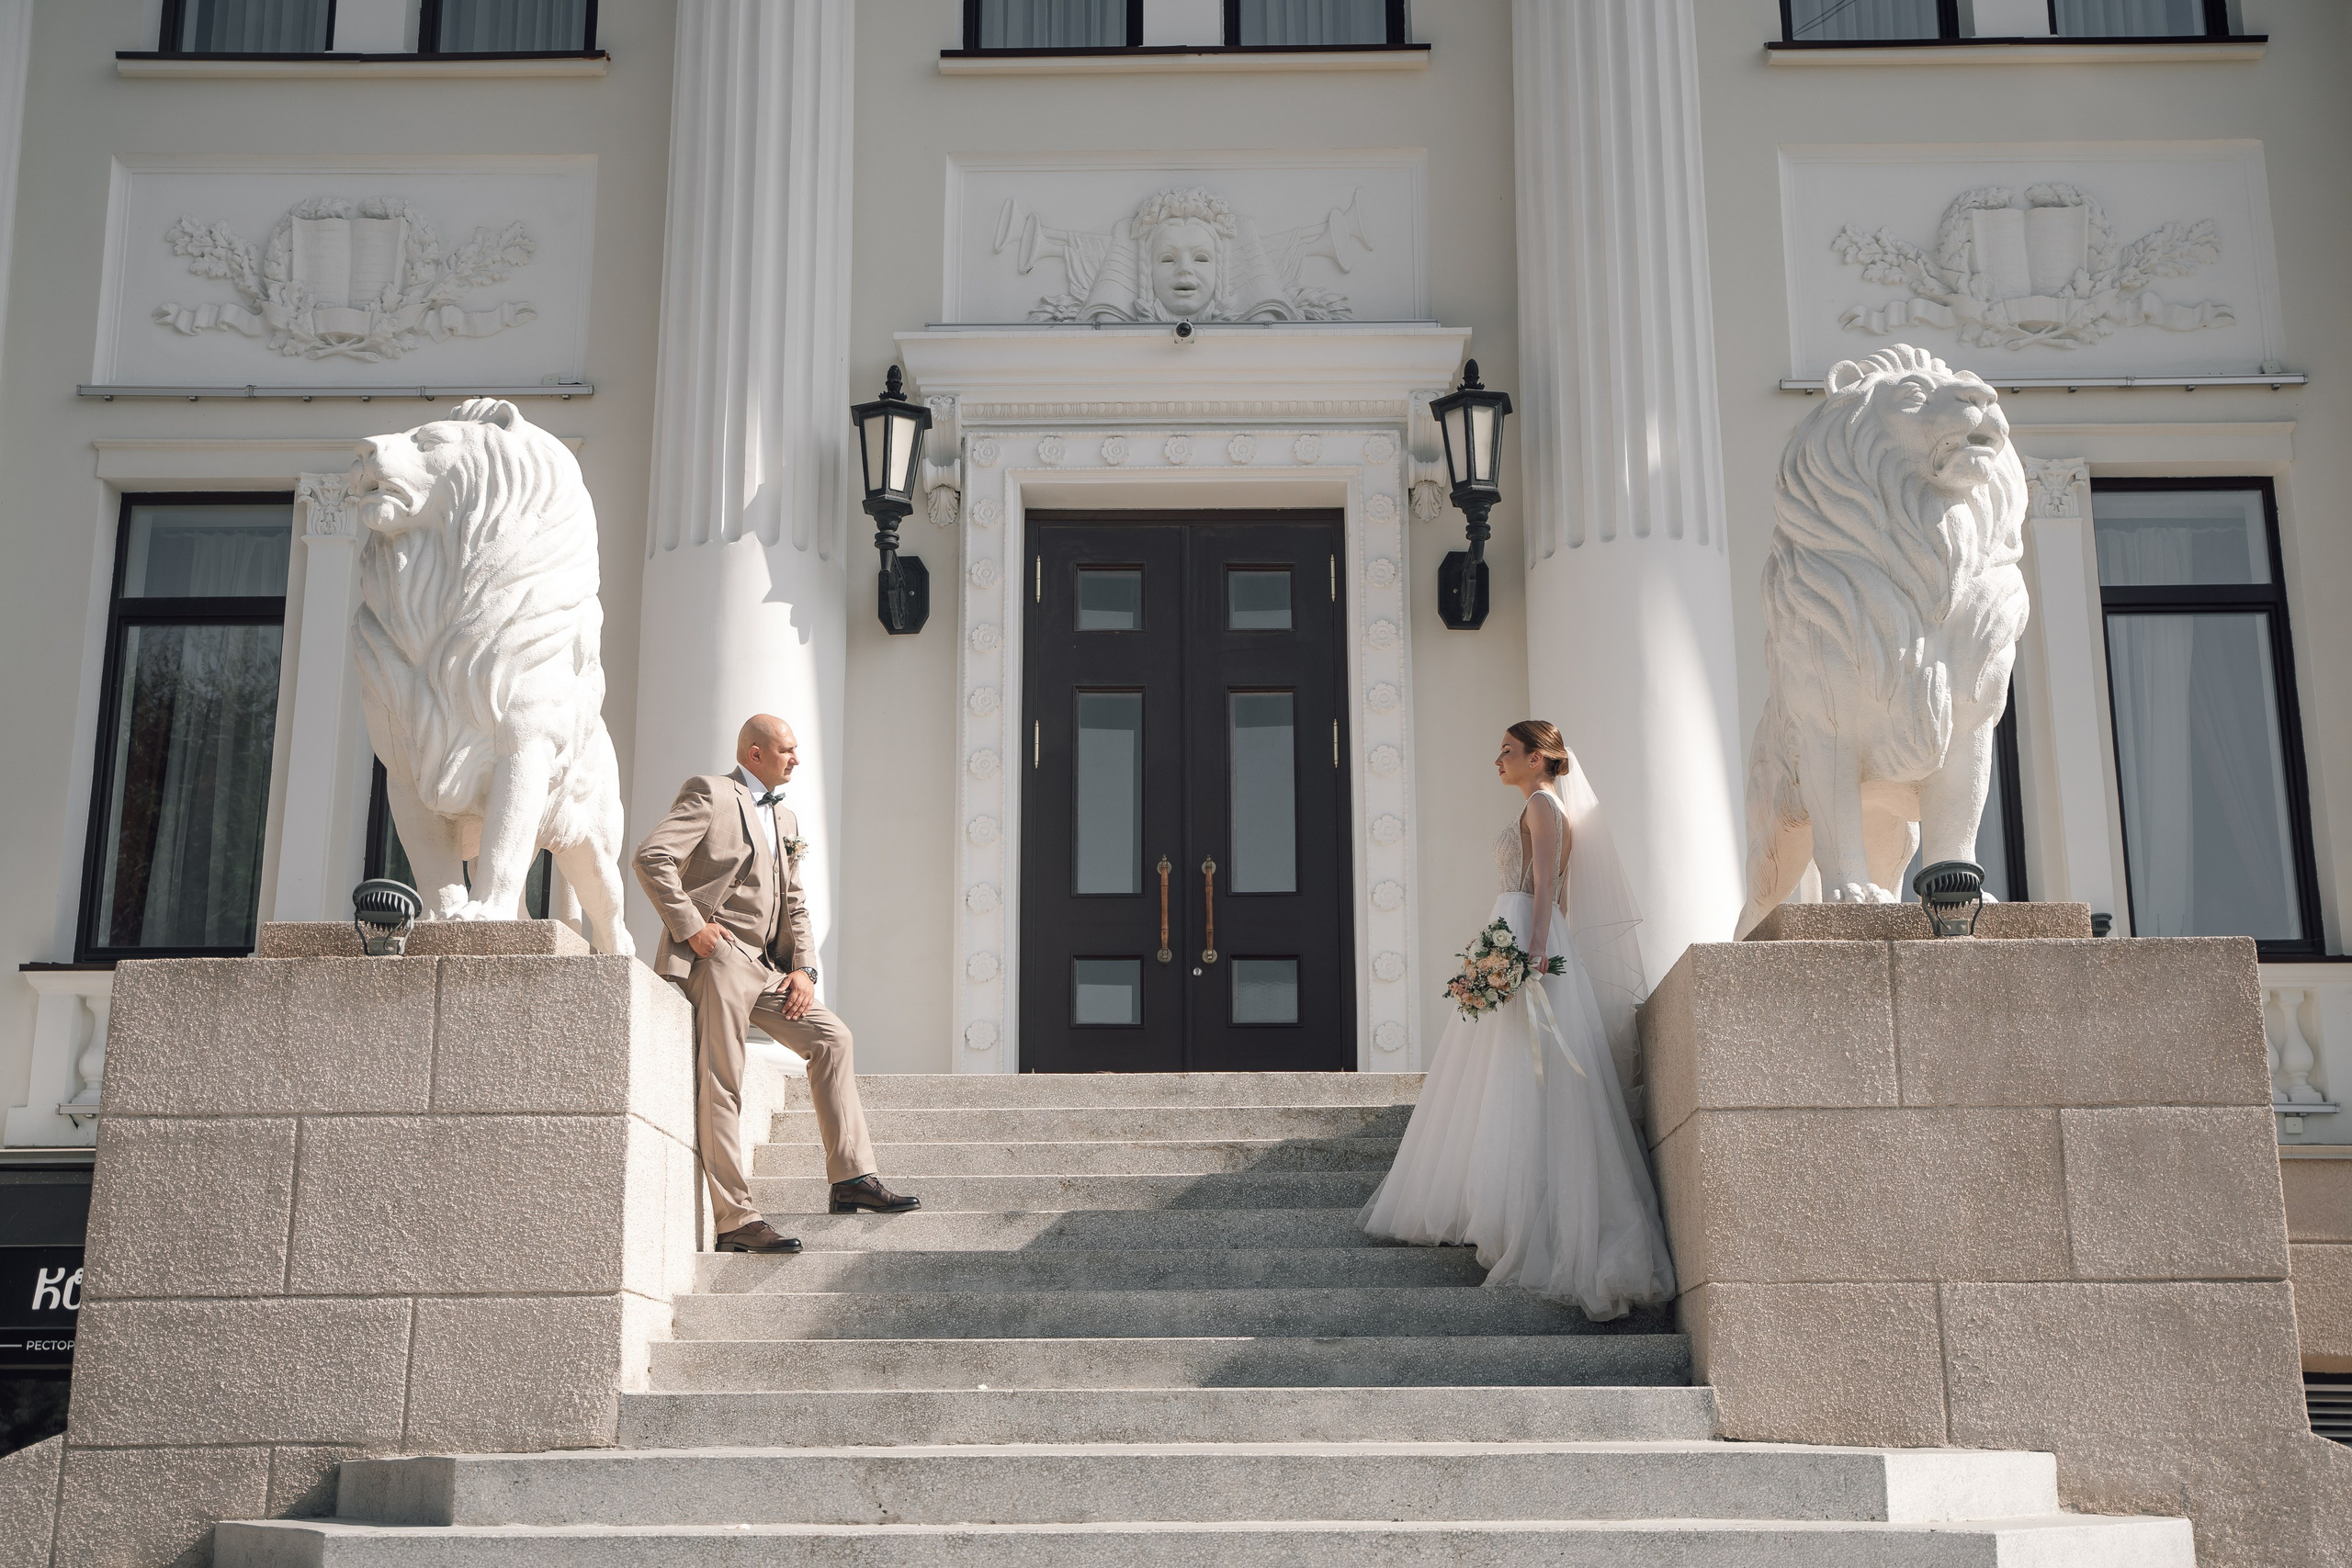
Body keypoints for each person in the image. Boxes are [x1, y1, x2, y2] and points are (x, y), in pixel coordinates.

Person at [1359, 720, 1676, 1319]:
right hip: (1520, 929)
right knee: (1506, 1070)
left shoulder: (1540, 803)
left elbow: (1546, 885)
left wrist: (1529, 952)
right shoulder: (1545, 804)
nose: (1497, 760)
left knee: (1521, 1071)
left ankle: (1520, 1213)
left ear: (1538, 757)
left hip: (1527, 934)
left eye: (1508, 750)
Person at [634, 714, 917, 1255]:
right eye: (786, 750)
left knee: (833, 1038)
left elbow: (796, 904)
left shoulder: (784, 819)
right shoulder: (711, 793)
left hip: (767, 967)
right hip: (716, 956)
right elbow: (651, 857)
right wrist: (692, 928)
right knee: (724, 1078)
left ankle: (852, 1176)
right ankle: (736, 1219)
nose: (796, 759)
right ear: (756, 753)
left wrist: (804, 972)